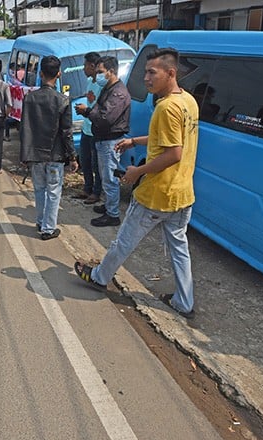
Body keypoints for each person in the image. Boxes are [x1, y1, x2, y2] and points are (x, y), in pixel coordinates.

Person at [74, 48, 199, 319]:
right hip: (183, 193)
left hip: (158, 193)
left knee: (124, 240)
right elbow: (168, 140)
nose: (146, 79)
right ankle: (184, 301)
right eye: (145, 72)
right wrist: (134, 141)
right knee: (179, 248)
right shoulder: (188, 101)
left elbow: (173, 153)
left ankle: (99, 277)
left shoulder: (167, 107)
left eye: (152, 73)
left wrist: (136, 171)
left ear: (171, 73)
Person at [19, 55, 78, 241]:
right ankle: (48, 228)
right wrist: (73, 156)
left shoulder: (29, 98)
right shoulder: (63, 100)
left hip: (36, 154)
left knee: (39, 189)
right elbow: (67, 132)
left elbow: (24, 128)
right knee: (54, 191)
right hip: (56, 154)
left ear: (41, 73)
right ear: (59, 74)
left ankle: (41, 221)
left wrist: (24, 155)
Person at [81, 56, 131, 227]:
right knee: (105, 176)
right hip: (102, 139)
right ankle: (109, 206)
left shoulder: (118, 93)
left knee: (110, 179)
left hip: (111, 141)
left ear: (111, 72)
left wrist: (87, 112)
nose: (98, 75)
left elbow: (105, 118)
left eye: (101, 72)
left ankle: (113, 214)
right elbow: (98, 106)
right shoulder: (108, 88)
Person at [72, 52, 104, 205]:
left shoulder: (102, 84)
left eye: (85, 65)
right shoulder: (89, 81)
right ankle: (87, 188)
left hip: (96, 129)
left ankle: (97, 192)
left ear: (92, 66)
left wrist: (87, 110)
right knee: (85, 160)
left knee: (97, 164)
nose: (83, 69)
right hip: (86, 127)